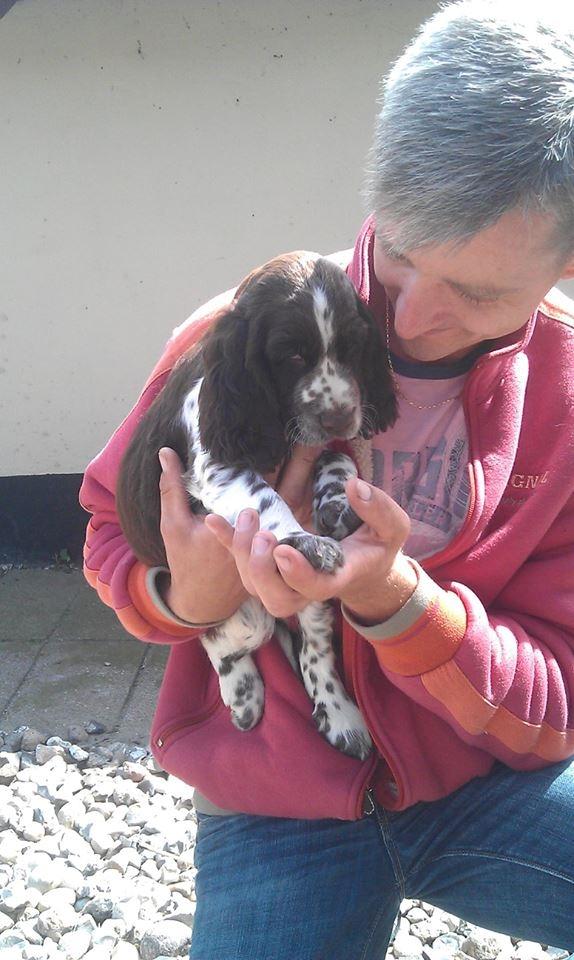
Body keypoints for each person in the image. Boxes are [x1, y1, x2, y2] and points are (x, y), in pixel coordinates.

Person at [80, 1, 574, 956]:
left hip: (487, 787)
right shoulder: (235, 334)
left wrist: (401, 606)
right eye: (398, 253)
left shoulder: (565, 398)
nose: (414, 315)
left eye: (478, 292)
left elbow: (561, 693)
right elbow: (107, 527)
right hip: (276, 809)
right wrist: (188, 592)